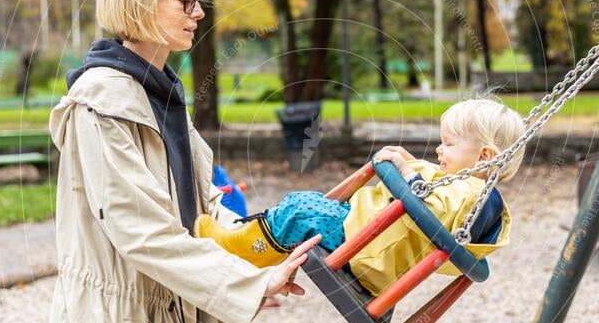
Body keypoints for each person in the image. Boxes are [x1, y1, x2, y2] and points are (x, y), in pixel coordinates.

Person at [47, 0, 319, 323]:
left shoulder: (161, 93)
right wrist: (250, 285)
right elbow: (142, 230)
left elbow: (203, 203)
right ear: (139, 0)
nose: (199, 12)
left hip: (181, 305)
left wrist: (268, 239)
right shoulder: (101, 103)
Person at [195, 98, 525, 295]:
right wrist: (408, 163)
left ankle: (238, 251)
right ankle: (248, 242)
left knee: (299, 210)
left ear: (484, 156)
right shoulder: (461, 183)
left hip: (367, 248)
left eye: (449, 144)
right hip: (364, 234)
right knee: (304, 204)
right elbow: (433, 187)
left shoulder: (470, 193)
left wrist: (408, 173)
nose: (440, 149)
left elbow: (432, 216)